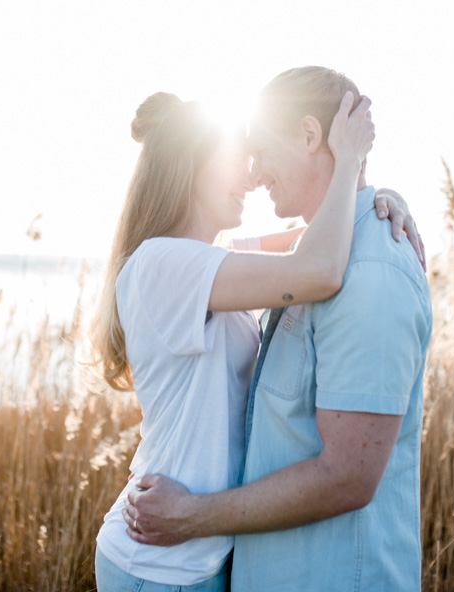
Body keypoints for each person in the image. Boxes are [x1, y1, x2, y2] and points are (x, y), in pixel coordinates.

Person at [90, 86, 421, 591]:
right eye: (233, 162)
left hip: (197, 552)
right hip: (158, 565)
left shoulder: (210, 257)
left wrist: (379, 199)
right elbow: (318, 270)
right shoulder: (164, 264)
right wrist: (349, 157)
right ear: (189, 167)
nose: (250, 178)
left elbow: (319, 234)